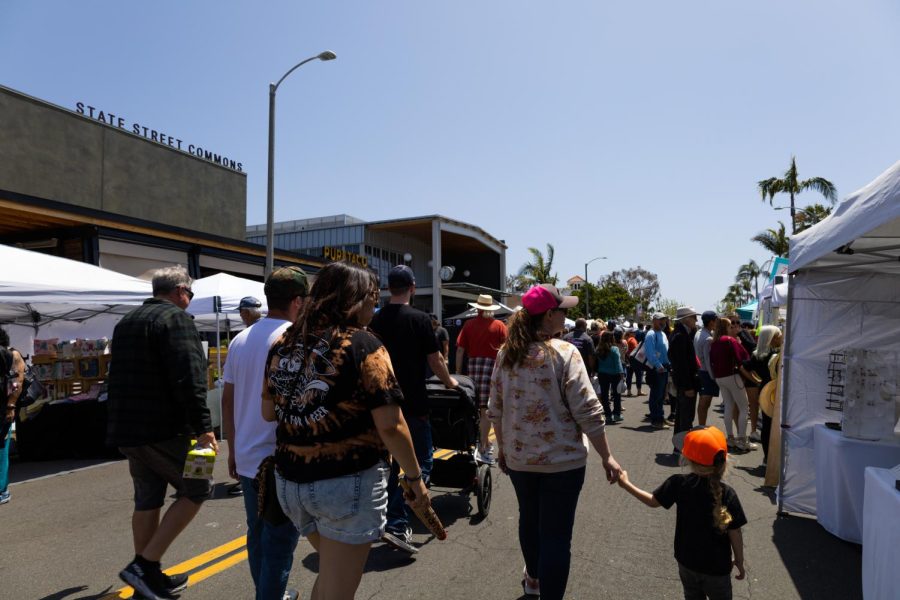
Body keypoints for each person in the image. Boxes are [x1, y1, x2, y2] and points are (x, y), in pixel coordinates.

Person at [262, 261, 430, 599]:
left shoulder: (285, 343)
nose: (375, 305)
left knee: (330, 578)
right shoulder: (364, 344)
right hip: (345, 484)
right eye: (372, 297)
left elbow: (268, 412)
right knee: (339, 589)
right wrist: (415, 479)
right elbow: (392, 426)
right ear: (355, 299)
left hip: (291, 483)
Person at [489, 284, 622, 600]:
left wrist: (504, 448)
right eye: (563, 310)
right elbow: (588, 410)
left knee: (529, 520)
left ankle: (533, 580)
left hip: (521, 461)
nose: (567, 316)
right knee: (556, 536)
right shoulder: (566, 353)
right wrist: (607, 456)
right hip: (563, 462)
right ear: (549, 315)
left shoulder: (507, 354)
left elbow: (495, 407)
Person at [107, 265, 218, 600]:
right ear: (181, 291)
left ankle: (148, 578)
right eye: (190, 294)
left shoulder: (126, 322)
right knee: (198, 488)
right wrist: (204, 428)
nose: (190, 300)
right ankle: (144, 565)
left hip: (128, 429)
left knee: (148, 498)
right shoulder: (176, 320)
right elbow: (189, 379)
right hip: (164, 428)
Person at [222, 267, 309, 600]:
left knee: (257, 533)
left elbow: (228, 400)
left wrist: (231, 449)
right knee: (279, 539)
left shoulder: (241, 339)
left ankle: (269, 592)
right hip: (278, 458)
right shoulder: (292, 339)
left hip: (246, 455)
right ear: (298, 301)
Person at [370, 265, 458, 552]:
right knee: (421, 461)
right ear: (412, 288)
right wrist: (450, 383)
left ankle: (385, 516)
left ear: (388, 288)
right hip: (413, 403)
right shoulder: (420, 320)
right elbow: (436, 361)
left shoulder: (376, 319)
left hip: (381, 403)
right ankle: (398, 519)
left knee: (388, 464)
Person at [616, 426, 747, 600]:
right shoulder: (728, 493)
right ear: (723, 461)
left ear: (687, 458)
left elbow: (652, 501)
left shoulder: (678, 483)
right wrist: (739, 559)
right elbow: (735, 532)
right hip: (717, 569)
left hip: (687, 563)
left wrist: (626, 484)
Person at [455, 293, 507, 465]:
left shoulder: (468, 325)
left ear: (477, 307)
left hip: (472, 369)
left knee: (476, 408)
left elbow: (460, 350)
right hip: (492, 368)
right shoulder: (499, 325)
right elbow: (507, 351)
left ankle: (480, 442)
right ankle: (484, 447)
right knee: (486, 410)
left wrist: (458, 373)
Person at [709, 317, 757, 452]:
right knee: (743, 407)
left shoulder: (714, 342)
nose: (734, 327)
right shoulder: (730, 341)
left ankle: (730, 438)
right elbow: (744, 357)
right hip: (732, 376)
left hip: (720, 377)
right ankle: (742, 440)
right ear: (726, 327)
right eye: (731, 325)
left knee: (729, 406)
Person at [746, 326, 782, 465]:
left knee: (767, 424)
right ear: (772, 337)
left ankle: (767, 457)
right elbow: (744, 368)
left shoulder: (757, 354)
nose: (780, 337)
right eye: (778, 335)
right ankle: (771, 458)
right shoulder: (775, 355)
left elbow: (744, 368)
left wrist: (757, 380)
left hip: (765, 389)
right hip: (773, 390)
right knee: (773, 425)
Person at [0, 327, 25, 506]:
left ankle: (2, 490)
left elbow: (18, 383)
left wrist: (10, 406)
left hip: (4, 408)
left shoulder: (12, 355)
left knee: (1, 448)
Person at [669, 307, 701, 439]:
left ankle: (679, 446)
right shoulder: (680, 336)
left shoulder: (680, 334)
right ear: (686, 319)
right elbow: (681, 365)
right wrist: (688, 386)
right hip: (686, 384)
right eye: (694, 317)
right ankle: (683, 447)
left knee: (682, 416)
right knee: (686, 417)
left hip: (684, 382)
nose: (696, 320)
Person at [644, 312, 671, 430]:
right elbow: (650, 354)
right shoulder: (651, 334)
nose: (663, 322)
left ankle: (660, 417)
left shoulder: (662, 333)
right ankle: (656, 420)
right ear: (654, 320)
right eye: (660, 320)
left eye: (664, 320)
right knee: (656, 395)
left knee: (661, 396)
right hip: (657, 369)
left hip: (664, 367)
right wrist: (659, 365)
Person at [693, 311, 719, 427]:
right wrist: (713, 377)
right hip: (706, 372)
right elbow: (708, 361)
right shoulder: (707, 338)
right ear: (711, 322)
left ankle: (701, 425)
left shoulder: (699, 332)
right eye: (716, 320)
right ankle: (701, 426)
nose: (717, 322)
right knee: (705, 402)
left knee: (703, 402)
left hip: (700, 371)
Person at [595, 331, 625, 423]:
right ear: (612, 338)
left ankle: (608, 415)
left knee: (604, 395)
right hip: (615, 374)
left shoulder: (598, 349)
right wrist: (622, 374)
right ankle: (616, 414)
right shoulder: (614, 349)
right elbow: (618, 363)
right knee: (616, 394)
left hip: (602, 374)